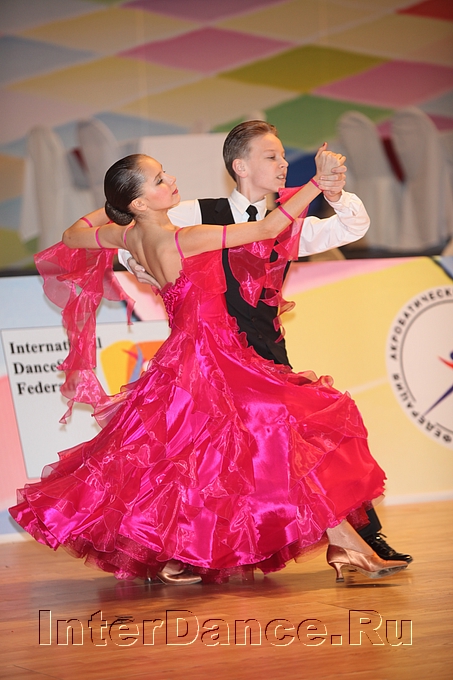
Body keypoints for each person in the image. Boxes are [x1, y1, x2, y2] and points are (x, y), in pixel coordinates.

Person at [9, 148, 409, 586]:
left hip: (190, 356)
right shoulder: (187, 237)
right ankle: (344, 543)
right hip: (213, 357)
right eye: (159, 180)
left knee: (209, 457)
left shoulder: (126, 237)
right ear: (140, 202)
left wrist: (118, 209)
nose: (171, 180)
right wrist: (315, 182)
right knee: (278, 431)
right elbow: (270, 227)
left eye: (164, 173)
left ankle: (340, 542)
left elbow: (72, 235)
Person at [119, 121, 412, 565]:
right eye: (272, 156)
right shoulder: (196, 213)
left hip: (267, 353)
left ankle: (365, 536)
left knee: (315, 436)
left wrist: (335, 194)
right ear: (240, 166)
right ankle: (181, 548)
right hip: (212, 354)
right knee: (206, 454)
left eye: (283, 156)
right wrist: (143, 269)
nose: (283, 164)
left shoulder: (291, 222)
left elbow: (352, 227)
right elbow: (135, 237)